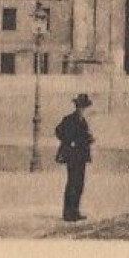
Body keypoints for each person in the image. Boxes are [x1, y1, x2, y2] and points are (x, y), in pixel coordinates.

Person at [54, 92, 95, 223]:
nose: (82, 110)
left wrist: (89, 139)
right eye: (80, 107)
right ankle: (68, 213)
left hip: (81, 156)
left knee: (79, 184)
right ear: (76, 107)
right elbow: (58, 131)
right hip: (72, 156)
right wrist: (69, 142)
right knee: (72, 183)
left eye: (83, 108)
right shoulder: (69, 119)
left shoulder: (83, 121)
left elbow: (83, 137)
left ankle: (75, 211)